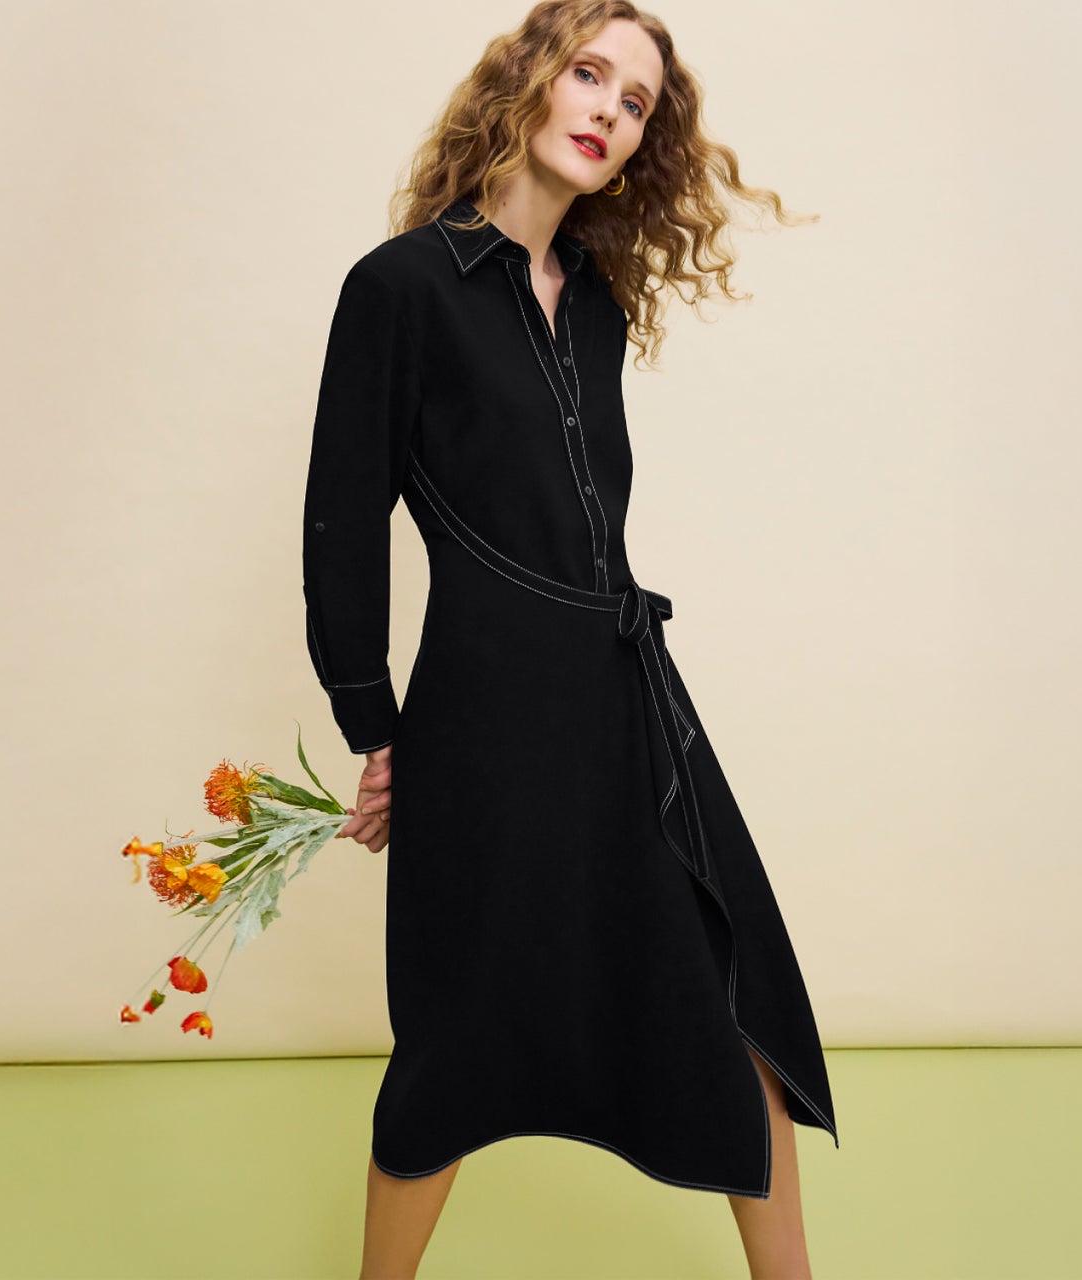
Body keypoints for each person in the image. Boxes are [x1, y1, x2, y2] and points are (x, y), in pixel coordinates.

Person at [294, 3, 837, 1276]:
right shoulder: (402, 288)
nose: (606, 108)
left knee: (735, 990)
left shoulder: (592, 300)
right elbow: (340, 517)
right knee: (453, 1038)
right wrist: (378, 727)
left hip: (623, 694)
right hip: (485, 718)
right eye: (589, 74)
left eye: (636, 100)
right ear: (531, 81)